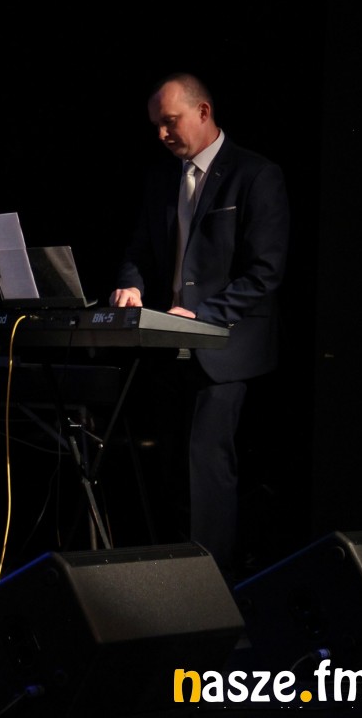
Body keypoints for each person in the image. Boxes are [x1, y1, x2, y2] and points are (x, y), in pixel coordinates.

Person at [110, 72, 289, 574]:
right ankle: (177, 576)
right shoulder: (161, 178)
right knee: (170, 464)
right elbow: (139, 250)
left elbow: (266, 271)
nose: (162, 133)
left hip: (224, 345)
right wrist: (131, 286)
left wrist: (203, 316)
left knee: (206, 464)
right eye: (157, 125)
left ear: (203, 112)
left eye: (171, 121)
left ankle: (211, 581)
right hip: (169, 344)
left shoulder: (255, 174)